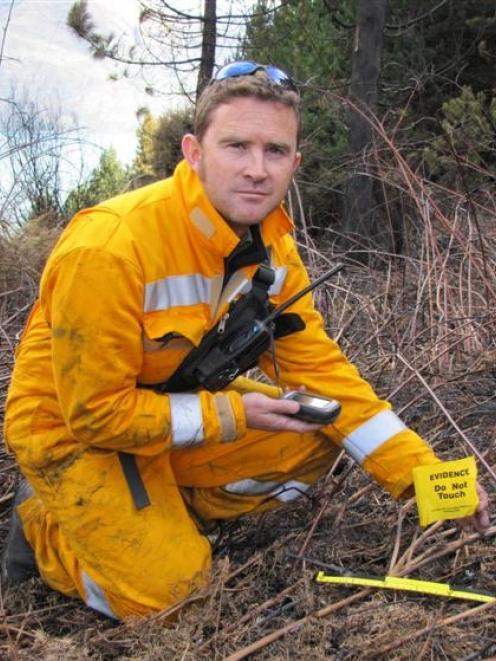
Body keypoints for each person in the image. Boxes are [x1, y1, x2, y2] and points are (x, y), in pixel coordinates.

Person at [2, 62, 490, 619]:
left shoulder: (274, 252)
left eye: (275, 152)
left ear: (295, 164)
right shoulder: (112, 247)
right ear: (193, 151)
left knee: (319, 434)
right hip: (75, 431)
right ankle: (49, 531)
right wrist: (234, 414)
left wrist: (430, 482)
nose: (257, 170)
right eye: (236, 146)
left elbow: (326, 377)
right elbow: (93, 416)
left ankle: (162, 508)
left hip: (164, 418)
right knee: (175, 598)